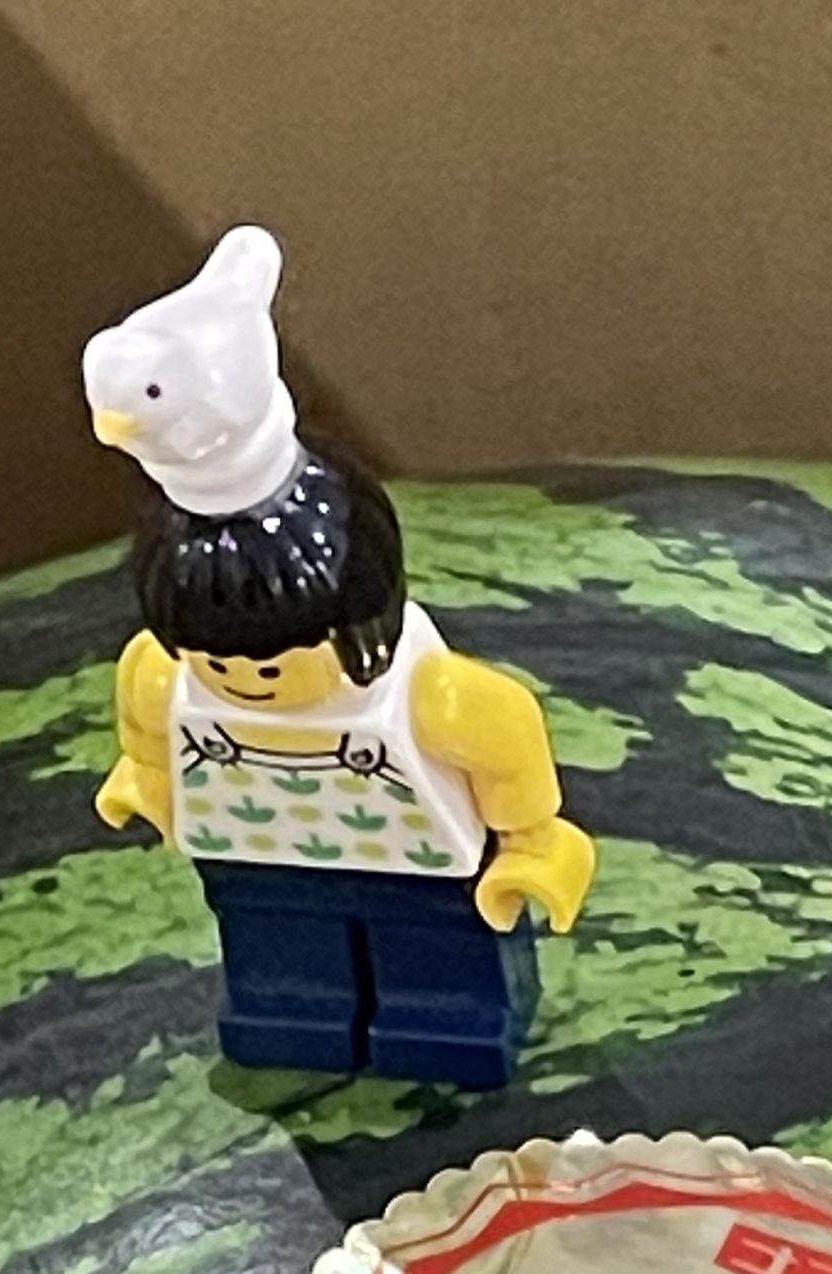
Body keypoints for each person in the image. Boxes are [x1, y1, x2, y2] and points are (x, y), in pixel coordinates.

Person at [84, 226, 594, 1084]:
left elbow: (507, 736)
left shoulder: (434, 698)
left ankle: (452, 1030)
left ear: (364, 621)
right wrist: (148, 780)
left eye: (275, 662)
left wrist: (533, 842)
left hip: (424, 876)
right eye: (218, 662)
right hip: (254, 863)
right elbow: (146, 731)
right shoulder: (163, 675)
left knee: (436, 974)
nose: (245, 679)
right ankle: (291, 1017)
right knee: (283, 966)